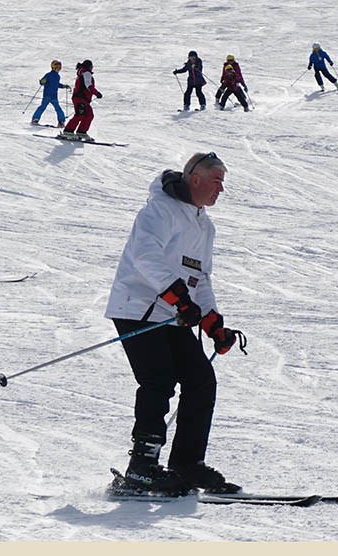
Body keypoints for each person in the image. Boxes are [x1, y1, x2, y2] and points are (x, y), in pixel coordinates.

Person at [105, 151, 245, 497]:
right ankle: (141, 467)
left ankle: (187, 463)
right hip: (137, 307)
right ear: (195, 179)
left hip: (173, 314)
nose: (220, 190)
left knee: (201, 380)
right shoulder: (159, 210)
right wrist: (179, 298)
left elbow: (202, 278)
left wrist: (213, 322)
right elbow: (145, 257)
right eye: (216, 182)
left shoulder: (203, 224)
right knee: (159, 380)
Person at [62, 59, 102, 141]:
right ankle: (68, 131)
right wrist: (97, 93)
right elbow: (89, 85)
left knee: (88, 114)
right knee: (80, 114)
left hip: (81, 98)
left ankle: (81, 131)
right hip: (81, 98)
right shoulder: (86, 73)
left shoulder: (82, 73)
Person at [32, 59, 70, 127]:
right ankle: (35, 119)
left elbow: (56, 84)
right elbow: (42, 82)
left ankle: (61, 121)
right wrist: (42, 81)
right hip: (47, 95)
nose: (58, 69)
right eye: (57, 67)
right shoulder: (48, 75)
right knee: (42, 107)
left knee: (57, 108)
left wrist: (63, 86)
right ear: (53, 67)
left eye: (59, 68)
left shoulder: (58, 76)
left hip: (54, 96)